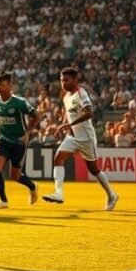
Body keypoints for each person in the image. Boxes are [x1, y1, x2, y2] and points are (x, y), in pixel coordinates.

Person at [42, 68, 119, 208]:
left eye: (66, 80)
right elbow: (69, 113)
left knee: (93, 169)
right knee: (58, 158)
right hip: (72, 137)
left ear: (75, 80)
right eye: (61, 80)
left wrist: (70, 124)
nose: (63, 83)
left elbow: (90, 113)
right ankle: (58, 193)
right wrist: (63, 126)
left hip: (86, 138)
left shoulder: (81, 93)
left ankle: (112, 195)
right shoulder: (66, 97)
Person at [0, 73, 40, 209]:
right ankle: (3, 201)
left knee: (15, 176)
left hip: (19, 143)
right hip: (3, 140)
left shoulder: (20, 102)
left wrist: (27, 133)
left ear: (10, 86)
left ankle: (32, 187)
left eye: (2, 85)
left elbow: (36, 116)